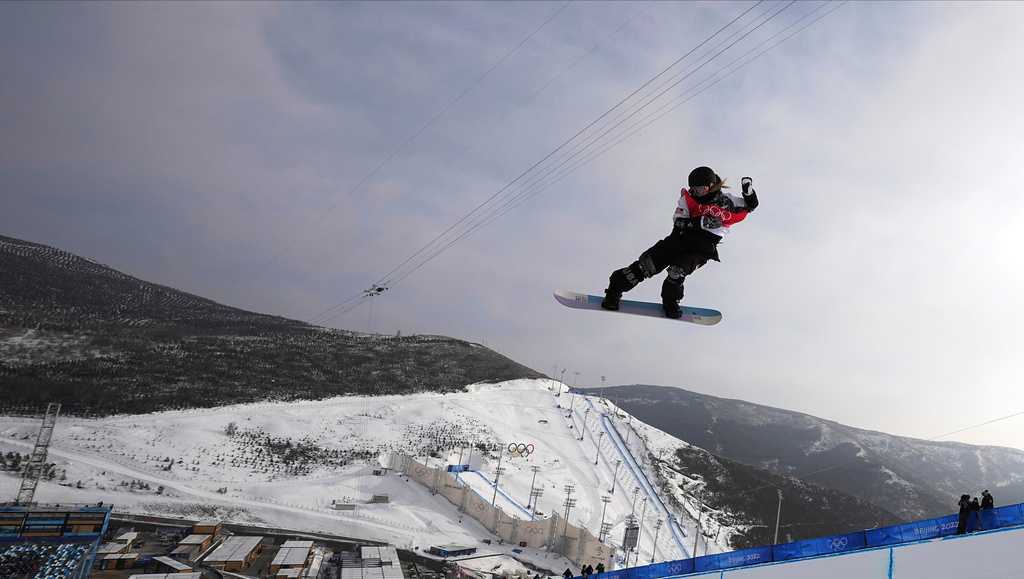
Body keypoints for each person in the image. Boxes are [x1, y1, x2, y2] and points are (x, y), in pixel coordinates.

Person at [601, 166, 759, 318]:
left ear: (710, 186)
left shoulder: (727, 202)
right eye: (693, 188)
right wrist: (699, 222)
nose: (696, 192)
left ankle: (670, 303)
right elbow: (679, 222)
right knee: (646, 266)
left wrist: (748, 191)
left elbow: (750, 206)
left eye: (700, 189)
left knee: (676, 272)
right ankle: (614, 291)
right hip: (679, 240)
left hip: (701, 249)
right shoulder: (688, 199)